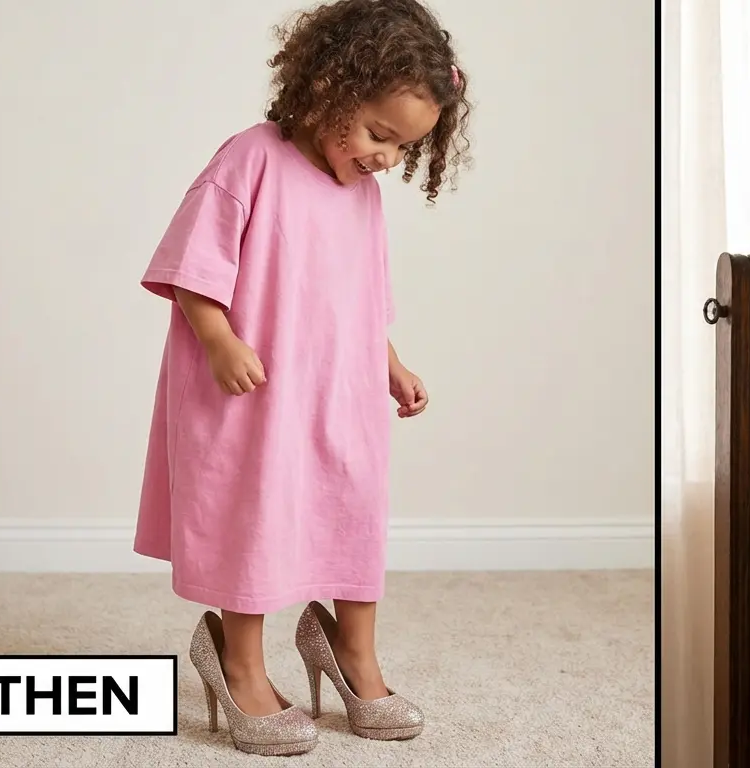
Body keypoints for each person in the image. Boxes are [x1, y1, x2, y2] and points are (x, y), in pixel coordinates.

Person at [133, 0, 471, 755]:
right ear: (331, 89)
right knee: (256, 515)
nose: (386, 157)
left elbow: (362, 300)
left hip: (339, 393)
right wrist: (217, 340)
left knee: (355, 508)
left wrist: (390, 365)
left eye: (404, 148)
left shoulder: (364, 197)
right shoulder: (251, 157)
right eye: (379, 134)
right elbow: (194, 268)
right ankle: (240, 660)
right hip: (255, 394)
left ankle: (351, 652)